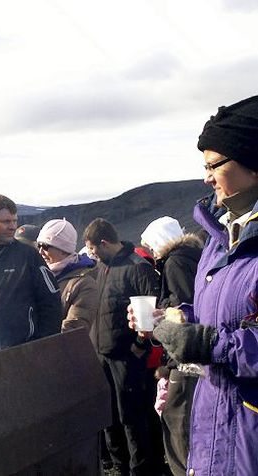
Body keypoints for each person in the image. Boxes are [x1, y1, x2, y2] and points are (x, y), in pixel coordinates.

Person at [131, 95, 258, 475]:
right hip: (214, 422)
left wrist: (206, 343)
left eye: (213, 165)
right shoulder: (220, 237)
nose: (205, 178)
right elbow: (218, 316)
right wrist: (173, 321)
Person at [83, 218, 159, 476]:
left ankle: (141, 469)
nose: (92, 254)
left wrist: (139, 346)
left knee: (132, 416)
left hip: (127, 356)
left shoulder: (137, 267)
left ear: (104, 243)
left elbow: (150, 311)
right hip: (103, 353)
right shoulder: (102, 268)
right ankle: (119, 466)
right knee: (109, 415)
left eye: (93, 249)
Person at [139, 216, 202, 476]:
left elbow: (184, 310)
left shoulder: (174, 263)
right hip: (196, 358)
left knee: (178, 424)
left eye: (152, 247)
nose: (152, 254)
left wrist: (157, 317)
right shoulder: (193, 257)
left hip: (185, 360)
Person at [0, 195, 62, 349]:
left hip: (22, 353)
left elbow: (51, 303)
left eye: (14, 221)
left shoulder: (29, 256)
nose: (13, 227)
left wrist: (41, 344)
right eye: (6, 221)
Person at [36, 218, 97, 333]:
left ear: (64, 250)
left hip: (59, 348)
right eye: (38, 245)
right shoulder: (39, 275)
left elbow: (75, 327)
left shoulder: (84, 284)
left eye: (45, 246)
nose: (40, 252)